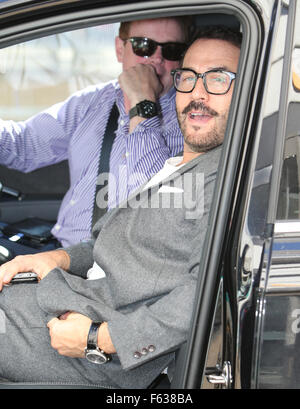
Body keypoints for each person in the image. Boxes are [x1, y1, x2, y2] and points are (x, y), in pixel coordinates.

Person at [0, 26, 242, 388]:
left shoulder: (220, 175)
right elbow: (122, 237)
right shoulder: (178, 161)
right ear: (120, 48)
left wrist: (103, 338)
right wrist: (58, 259)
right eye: (189, 78)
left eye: (218, 78)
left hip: (94, 343)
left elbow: (208, 285)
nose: (198, 93)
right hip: (67, 289)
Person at [0, 17, 190, 247]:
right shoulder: (94, 102)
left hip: (121, 268)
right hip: (60, 252)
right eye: (143, 46)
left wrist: (142, 102)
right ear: (120, 49)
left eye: (172, 50)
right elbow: (23, 146)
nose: (157, 58)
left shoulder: (190, 121)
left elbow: (153, 206)